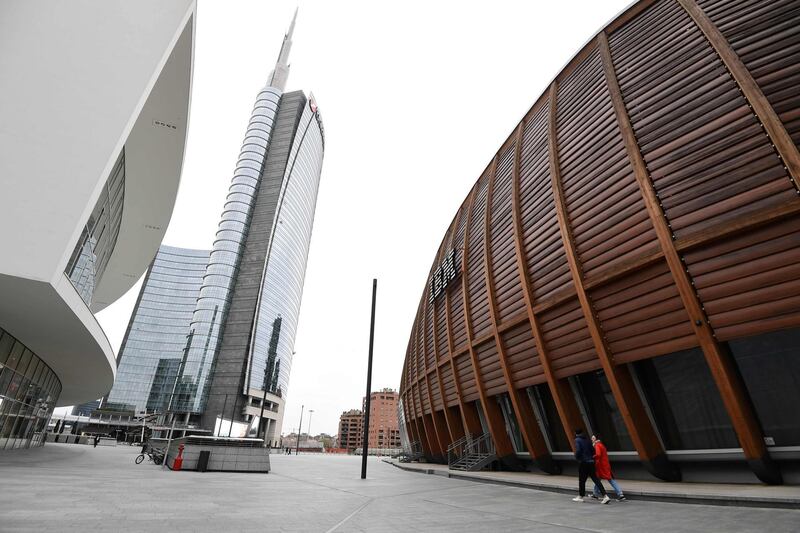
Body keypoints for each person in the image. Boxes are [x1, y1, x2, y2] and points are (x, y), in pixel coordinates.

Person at [572, 428, 609, 504]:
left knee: (582, 480)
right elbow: (593, 451)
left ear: (576, 433)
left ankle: (581, 496)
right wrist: (591, 457)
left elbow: (578, 450)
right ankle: (605, 496)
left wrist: (577, 458)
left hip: (583, 462)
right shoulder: (587, 440)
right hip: (591, 462)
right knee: (596, 479)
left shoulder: (577, 440)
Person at [591, 434, 626, 502]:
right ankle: (595, 494)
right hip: (604, 465)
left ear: (596, 438)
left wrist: (592, 457)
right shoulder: (601, 444)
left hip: (601, 466)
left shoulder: (597, 445)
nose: (591, 439)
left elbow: (598, 454)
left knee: (609, 479)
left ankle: (620, 494)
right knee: (599, 479)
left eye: (593, 438)